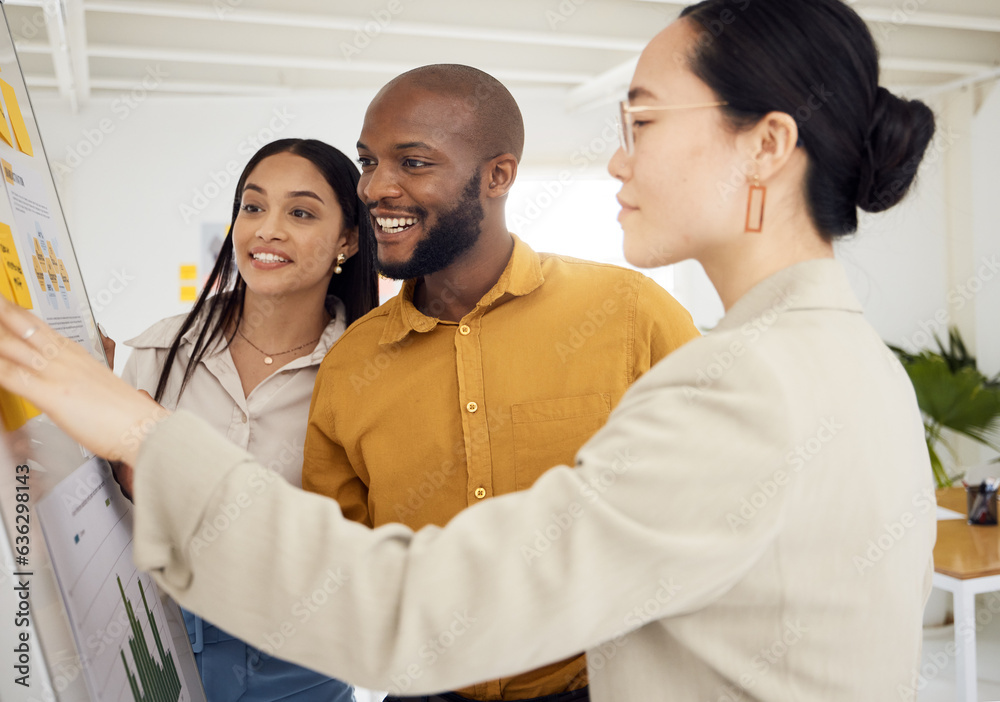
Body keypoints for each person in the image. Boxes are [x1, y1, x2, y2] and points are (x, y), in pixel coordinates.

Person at [0, 1, 939, 699]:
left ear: (767, 145)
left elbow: (413, 605)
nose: (619, 159)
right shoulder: (848, 363)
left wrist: (141, 433)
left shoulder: (740, 382)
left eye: (643, 122)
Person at [301, 65, 700, 702]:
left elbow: (720, 508)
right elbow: (337, 565)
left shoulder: (631, 316)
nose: (375, 187)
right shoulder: (353, 366)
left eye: (412, 162)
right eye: (368, 161)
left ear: (498, 176)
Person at [121, 138, 377, 701]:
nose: (267, 230)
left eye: (301, 213)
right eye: (253, 206)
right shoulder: (159, 352)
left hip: (300, 664)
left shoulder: (370, 376)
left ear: (349, 239)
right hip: (160, 648)